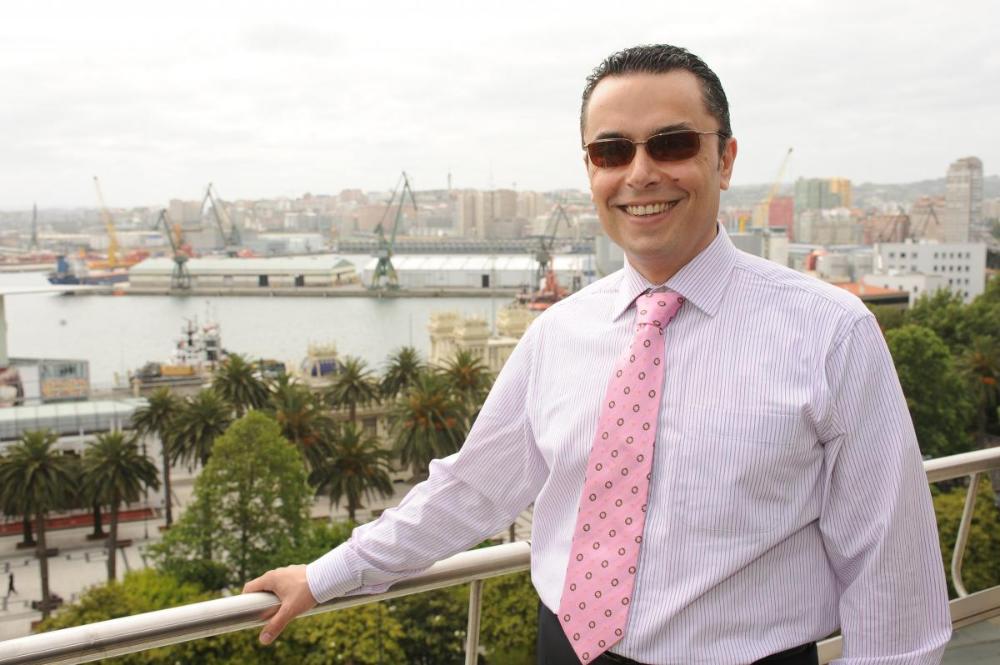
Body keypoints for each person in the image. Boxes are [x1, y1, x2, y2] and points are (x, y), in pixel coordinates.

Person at [244, 44, 952, 664]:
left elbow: (892, 571)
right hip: (566, 649)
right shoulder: (560, 333)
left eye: (671, 144)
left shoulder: (830, 332)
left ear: (726, 158)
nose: (639, 174)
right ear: (590, 171)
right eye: (612, 151)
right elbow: (472, 489)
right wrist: (327, 574)